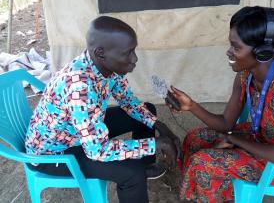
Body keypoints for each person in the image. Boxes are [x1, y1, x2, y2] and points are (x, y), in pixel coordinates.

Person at [169, 6, 274, 202]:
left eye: (236, 47)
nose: (229, 52)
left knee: (204, 162)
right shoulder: (245, 75)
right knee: (194, 138)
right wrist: (191, 106)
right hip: (261, 138)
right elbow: (226, 123)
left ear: (263, 52)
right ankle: (211, 195)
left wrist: (233, 139)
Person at [25, 16, 180, 203]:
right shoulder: (80, 87)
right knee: (132, 174)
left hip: (79, 130)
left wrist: (160, 126)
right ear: (100, 53)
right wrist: (156, 143)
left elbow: (128, 101)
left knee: (147, 110)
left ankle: (144, 164)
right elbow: (97, 150)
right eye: (128, 53)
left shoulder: (105, 67)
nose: (135, 59)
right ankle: (138, 172)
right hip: (55, 153)